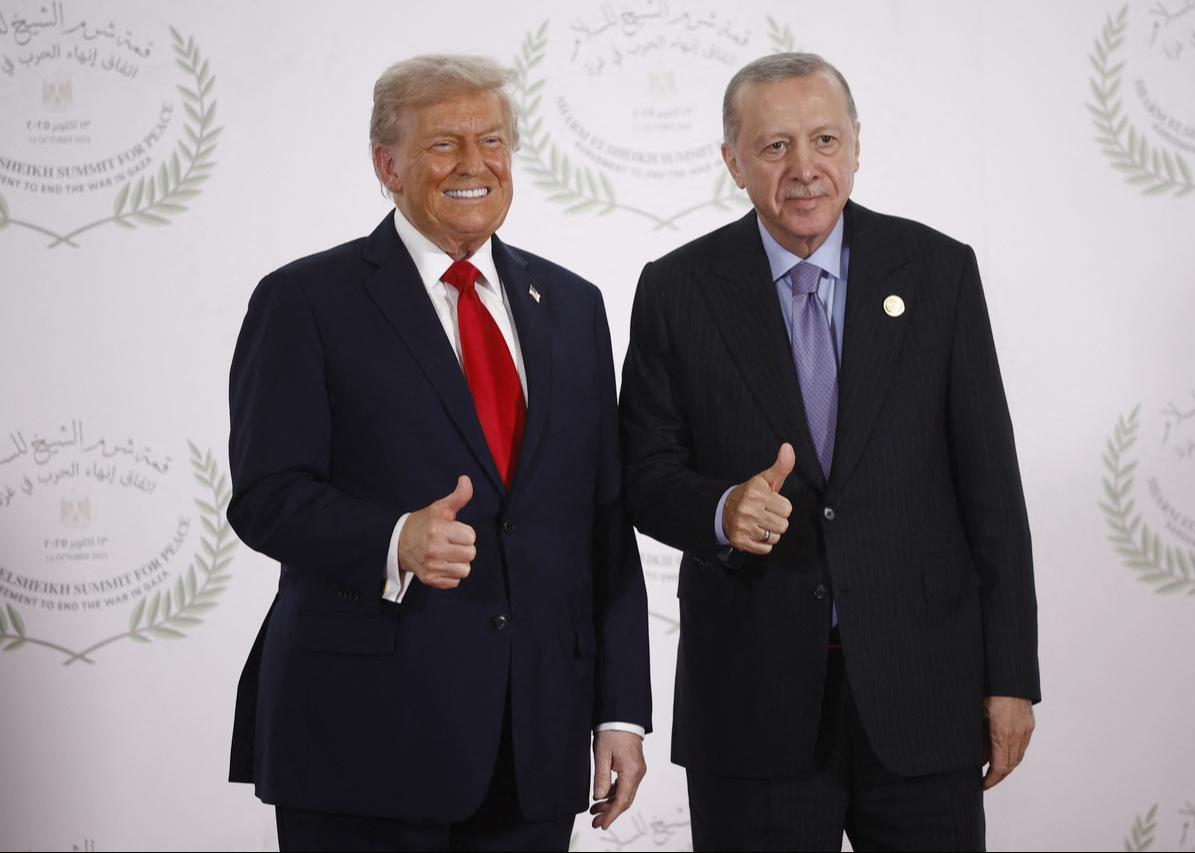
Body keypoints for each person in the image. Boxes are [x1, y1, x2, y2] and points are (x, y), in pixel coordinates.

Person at [226, 54, 651, 852]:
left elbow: (602, 520)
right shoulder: (304, 300)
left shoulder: (571, 305)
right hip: (364, 738)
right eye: (443, 145)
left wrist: (619, 711)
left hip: (533, 741)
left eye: (491, 141)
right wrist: (394, 539)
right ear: (386, 165)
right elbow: (265, 494)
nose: (474, 165)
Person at [619, 52, 1039, 851]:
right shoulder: (677, 289)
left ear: (855, 145)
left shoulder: (940, 272)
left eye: (824, 140)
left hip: (924, 694)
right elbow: (641, 473)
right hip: (753, 700)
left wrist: (1011, 678)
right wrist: (719, 508)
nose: (805, 169)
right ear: (732, 161)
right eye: (775, 147)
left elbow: (991, 490)